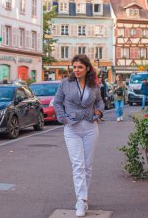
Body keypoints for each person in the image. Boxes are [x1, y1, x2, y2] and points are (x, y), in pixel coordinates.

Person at [53, 54, 104, 217]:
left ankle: (84, 199)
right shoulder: (65, 84)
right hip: (72, 128)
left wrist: (99, 111)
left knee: (88, 166)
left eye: (80, 67)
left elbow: (100, 102)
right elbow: (57, 102)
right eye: (74, 67)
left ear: (87, 68)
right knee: (78, 165)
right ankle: (80, 201)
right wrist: (63, 118)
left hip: (90, 127)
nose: (76, 70)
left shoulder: (94, 84)